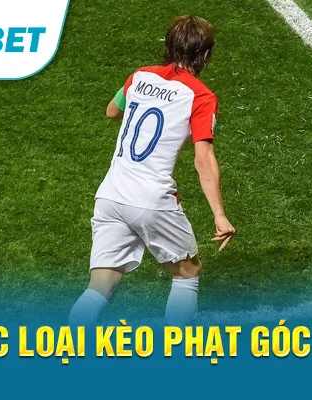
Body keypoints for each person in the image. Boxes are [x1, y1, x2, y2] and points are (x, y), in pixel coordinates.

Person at [69, 16, 234, 326]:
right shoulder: (201, 97)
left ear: (169, 47)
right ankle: (176, 349)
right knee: (187, 273)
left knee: (102, 282)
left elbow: (112, 111)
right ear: (205, 55)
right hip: (152, 200)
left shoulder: (140, 76)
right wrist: (220, 215)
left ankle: (69, 345)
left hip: (111, 195)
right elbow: (203, 159)